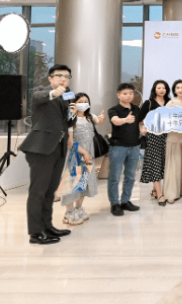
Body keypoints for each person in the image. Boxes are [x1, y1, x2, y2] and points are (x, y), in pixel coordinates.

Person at [20, 64, 77, 245]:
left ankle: (47, 226)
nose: (63, 79)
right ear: (50, 78)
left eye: (67, 77)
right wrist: (54, 93)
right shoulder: (41, 91)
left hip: (59, 148)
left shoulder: (68, 95)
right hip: (41, 149)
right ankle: (35, 233)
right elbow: (40, 97)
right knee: (38, 192)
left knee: (50, 192)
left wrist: (73, 114)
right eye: (59, 75)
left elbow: (67, 122)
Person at [62, 93, 105, 225]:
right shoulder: (70, 119)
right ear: (74, 103)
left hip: (88, 156)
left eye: (86, 101)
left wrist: (101, 119)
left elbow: (99, 121)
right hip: (75, 155)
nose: (83, 104)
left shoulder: (90, 116)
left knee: (84, 184)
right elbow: (70, 142)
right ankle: (69, 213)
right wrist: (84, 152)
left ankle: (78, 209)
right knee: (71, 185)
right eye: (80, 101)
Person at [108, 83, 142, 216]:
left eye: (131, 93)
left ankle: (125, 201)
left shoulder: (136, 109)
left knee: (131, 176)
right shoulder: (113, 110)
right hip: (118, 147)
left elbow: (138, 125)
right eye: (125, 93)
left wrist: (143, 130)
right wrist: (125, 119)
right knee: (115, 177)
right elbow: (115, 121)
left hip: (134, 147)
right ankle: (114, 204)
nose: (128, 96)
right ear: (119, 95)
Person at [162, 80, 182, 203]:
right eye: (178, 87)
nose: (180, 89)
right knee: (173, 166)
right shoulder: (170, 103)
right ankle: (171, 193)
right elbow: (165, 120)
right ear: (174, 90)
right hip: (173, 138)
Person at [139, 80, 170, 206]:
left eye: (164, 88)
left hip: (167, 136)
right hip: (153, 137)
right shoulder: (149, 103)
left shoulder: (170, 103)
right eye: (159, 88)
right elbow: (140, 119)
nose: (161, 90)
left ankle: (154, 190)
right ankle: (160, 194)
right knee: (156, 163)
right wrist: (142, 129)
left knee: (163, 163)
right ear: (154, 89)